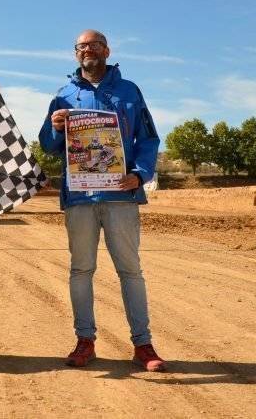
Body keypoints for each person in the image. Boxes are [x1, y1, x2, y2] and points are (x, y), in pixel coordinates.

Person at [38, 30, 166, 371]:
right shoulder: (64, 95)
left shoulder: (129, 91)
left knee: (130, 271)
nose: (88, 50)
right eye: (82, 46)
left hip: (121, 195)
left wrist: (139, 174)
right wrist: (54, 127)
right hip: (80, 197)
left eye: (94, 45)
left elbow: (148, 139)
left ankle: (143, 344)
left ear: (107, 51)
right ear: (75, 54)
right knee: (81, 270)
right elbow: (48, 145)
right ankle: (85, 341)